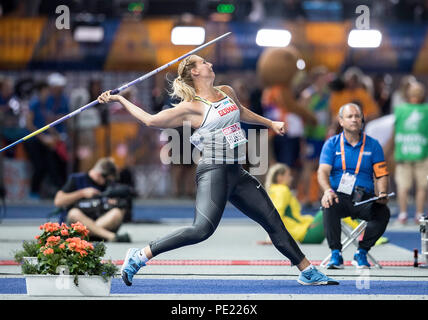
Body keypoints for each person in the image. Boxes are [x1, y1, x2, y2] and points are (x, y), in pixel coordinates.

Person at [97, 54, 339, 286]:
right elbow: (150, 120)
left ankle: (307, 271)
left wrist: (270, 123)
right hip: (214, 170)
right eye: (204, 62)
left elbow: (242, 112)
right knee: (201, 230)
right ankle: (139, 256)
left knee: (273, 221)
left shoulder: (226, 92)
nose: (210, 64)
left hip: (237, 172)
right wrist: (120, 99)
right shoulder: (190, 107)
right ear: (194, 72)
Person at [318, 103, 390, 269]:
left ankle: (362, 252)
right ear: (341, 121)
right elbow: (322, 172)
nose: (354, 120)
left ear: (362, 120)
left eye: (357, 116)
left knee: (383, 212)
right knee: (328, 204)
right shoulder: (332, 144)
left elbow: (381, 174)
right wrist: (327, 191)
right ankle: (336, 253)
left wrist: (383, 193)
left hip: (364, 198)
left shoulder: (373, 145)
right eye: (350, 116)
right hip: (339, 196)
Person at [261, 163, 360, 245]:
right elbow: (276, 214)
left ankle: (359, 230)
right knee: (333, 205)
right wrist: (272, 236)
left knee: (333, 207)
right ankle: (361, 231)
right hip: (305, 233)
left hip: (304, 231)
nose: (291, 178)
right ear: (279, 177)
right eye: (288, 175)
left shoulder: (274, 191)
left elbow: (276, 215)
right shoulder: (282, 190)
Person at [54, 157, 131, 242]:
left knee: (117, 212)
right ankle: (110, 236)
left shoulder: (108, 186)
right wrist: (82, 193)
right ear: (99, 174)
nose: (108, 182)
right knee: (73, 213)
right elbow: (58, 201)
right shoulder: (76, 179)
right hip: (78, 224)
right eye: (107, 180)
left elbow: (124, 197)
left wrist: (112, 202)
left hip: (99, 222)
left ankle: (90, 234)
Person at [389, 81, 428, 224]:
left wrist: (391, 150)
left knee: (418, 186)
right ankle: (406, 213)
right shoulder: (403, 110)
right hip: (408, 154)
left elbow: (394, 131)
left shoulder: (400, 109)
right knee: (408, 186)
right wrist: (390, 151)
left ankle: (411, 214)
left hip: (419, 154)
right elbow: (394, 132)